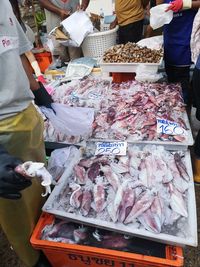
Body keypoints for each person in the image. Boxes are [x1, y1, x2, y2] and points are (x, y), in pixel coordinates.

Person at [0, 0, 54, 266]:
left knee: (40, 191)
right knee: (16, 208)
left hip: (27, 116)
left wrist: (37, 89)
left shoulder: (5, 5)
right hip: (3, 131)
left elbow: (18, 51)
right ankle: (32, 259)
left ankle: (49, 242)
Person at [164, 0, 200, 105]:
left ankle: (184, 115)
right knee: (170, 82)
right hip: (169, 38)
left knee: (182, 84)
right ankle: (173, 113)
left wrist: (185, 4)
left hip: (184, 39)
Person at [9, 0, 45, 80]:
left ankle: (36, 75)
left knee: (26, 52)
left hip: (17, 25)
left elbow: (28, 52)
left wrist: (38, 73)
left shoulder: (17, 25)